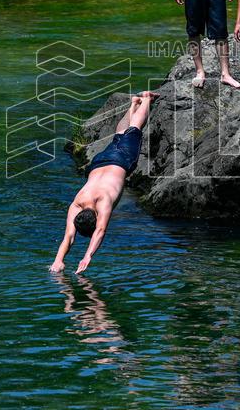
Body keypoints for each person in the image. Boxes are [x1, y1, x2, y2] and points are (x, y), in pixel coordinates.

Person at [50, 92, 159, 274]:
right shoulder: (77, 204)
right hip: (99, 161)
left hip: (121, 160)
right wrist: (58, 260)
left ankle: (146, 99)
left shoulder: (102, 202)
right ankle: (133, 104)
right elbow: (69, 236)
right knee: (119, 136)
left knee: (135, 130)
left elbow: (98, 231)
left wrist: (88, 256)